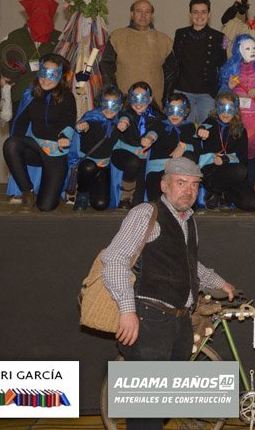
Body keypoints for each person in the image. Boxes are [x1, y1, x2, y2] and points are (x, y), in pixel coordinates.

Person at [101, 156, 236, 430]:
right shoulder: (145, 213)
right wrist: (127, 310)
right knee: (146, 415)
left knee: (162, 404)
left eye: (194, 185)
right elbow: (114, 259)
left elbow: (187, 261)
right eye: (181, 183)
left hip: (179, 322)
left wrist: (219, 282)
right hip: (149, 320)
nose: (188, 190)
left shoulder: (187, 220)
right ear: (164, 185)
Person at [2, 53, 77, 211]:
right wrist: (16, 153)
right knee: (11, 144)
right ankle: (27, 192)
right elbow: (20, 124)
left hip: (55, 151)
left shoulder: (67, 97)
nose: (46, 79)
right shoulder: (30, 94)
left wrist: (64, 136)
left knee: (46, 206)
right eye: (43, 72)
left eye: (52, 75)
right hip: (35, 148)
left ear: (60, 76)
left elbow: (69, 121)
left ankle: (52, 192)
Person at [219, 35, 255, 189]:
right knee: (235, 156)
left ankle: (249, 189)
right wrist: (228, 87)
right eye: (247, 48)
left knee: (251, 157)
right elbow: (220, 97)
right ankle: (233, 190)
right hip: (236, 119)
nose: (252, 51)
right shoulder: (230, 70)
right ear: (238, 50)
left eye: (254, 48)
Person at [0, 0, 62, 121]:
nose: (41, 16)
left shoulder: (59, 39)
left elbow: (66, 65)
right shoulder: (15, 37)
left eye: (46, 12)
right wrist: (0, 78)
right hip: (19, 96)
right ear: (30, 14)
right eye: (37, 12)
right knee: (18, 131)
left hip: (50, 99)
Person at [163, 0, 226, 125]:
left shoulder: (220, 37)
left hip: (207, 94)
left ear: (209, 14)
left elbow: (223, 67)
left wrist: (221, 93)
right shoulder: (180, 34)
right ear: (190, 14)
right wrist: (167, 94)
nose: (199, 16)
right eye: (195, 12)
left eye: (203, 12)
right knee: (182, 130)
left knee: (208, 130)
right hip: (182, 92)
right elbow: (174, 64)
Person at [101, 0, 173, 102]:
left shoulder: (165, 41)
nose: (143, 15)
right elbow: (107, 66)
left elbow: (170, 75)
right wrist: (114, 93)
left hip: (153, 102)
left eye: (147, 12)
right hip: (124, 101)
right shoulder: (117, 37)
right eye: (139, 11)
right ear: (132, 14)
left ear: (151, 15)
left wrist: (166, 100)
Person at [197, 92, 255, 211]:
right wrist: (201, 130)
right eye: (222, 107)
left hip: (233, 174)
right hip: (212, 173)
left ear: (236, 110)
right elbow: (203, 127)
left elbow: (243, 159)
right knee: (240, 170)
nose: (225, 113)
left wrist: (225, 159)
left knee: (252, 204)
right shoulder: (211, 122)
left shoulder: (241, 130)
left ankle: (224, 196)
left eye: (230, 109)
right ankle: (214, 192)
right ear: (217, 108)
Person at [111, 82, 163, 210]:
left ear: (150, 99)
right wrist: (123, 122)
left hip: (144, 158)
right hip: (123, 153)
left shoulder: (157, 116)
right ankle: (125, 196)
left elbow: (158, 129)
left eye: (143, 98)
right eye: (135, 98)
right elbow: (124, 118)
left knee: (138, 203)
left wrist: (150, 138)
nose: (138, 103)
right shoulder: (124, 113)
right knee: (133, 162)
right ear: (129, 98)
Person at [72, 86, 124, 211]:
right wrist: (81, 127)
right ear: (101, 103)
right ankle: (82, 192)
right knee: (89, 167)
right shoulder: (92, 117)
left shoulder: (121, 122)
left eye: (114, 105)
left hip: (103, 168)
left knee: (100, 204)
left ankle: (92, 189)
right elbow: (81, 127)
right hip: (86, 165)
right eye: (106, 104)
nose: (109, 109)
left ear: (121, 106)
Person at [143, 94, 200, 202]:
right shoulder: (159, 124)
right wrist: (149, 138)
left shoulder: (190, 126)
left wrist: (183, 146)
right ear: (165, 110)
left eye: (179, 110)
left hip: (177, 171)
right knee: (155, 199)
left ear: (186, 111)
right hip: (157, 170)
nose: (174, 114)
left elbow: (195, 147)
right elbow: (153, 133)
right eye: (171, 110)